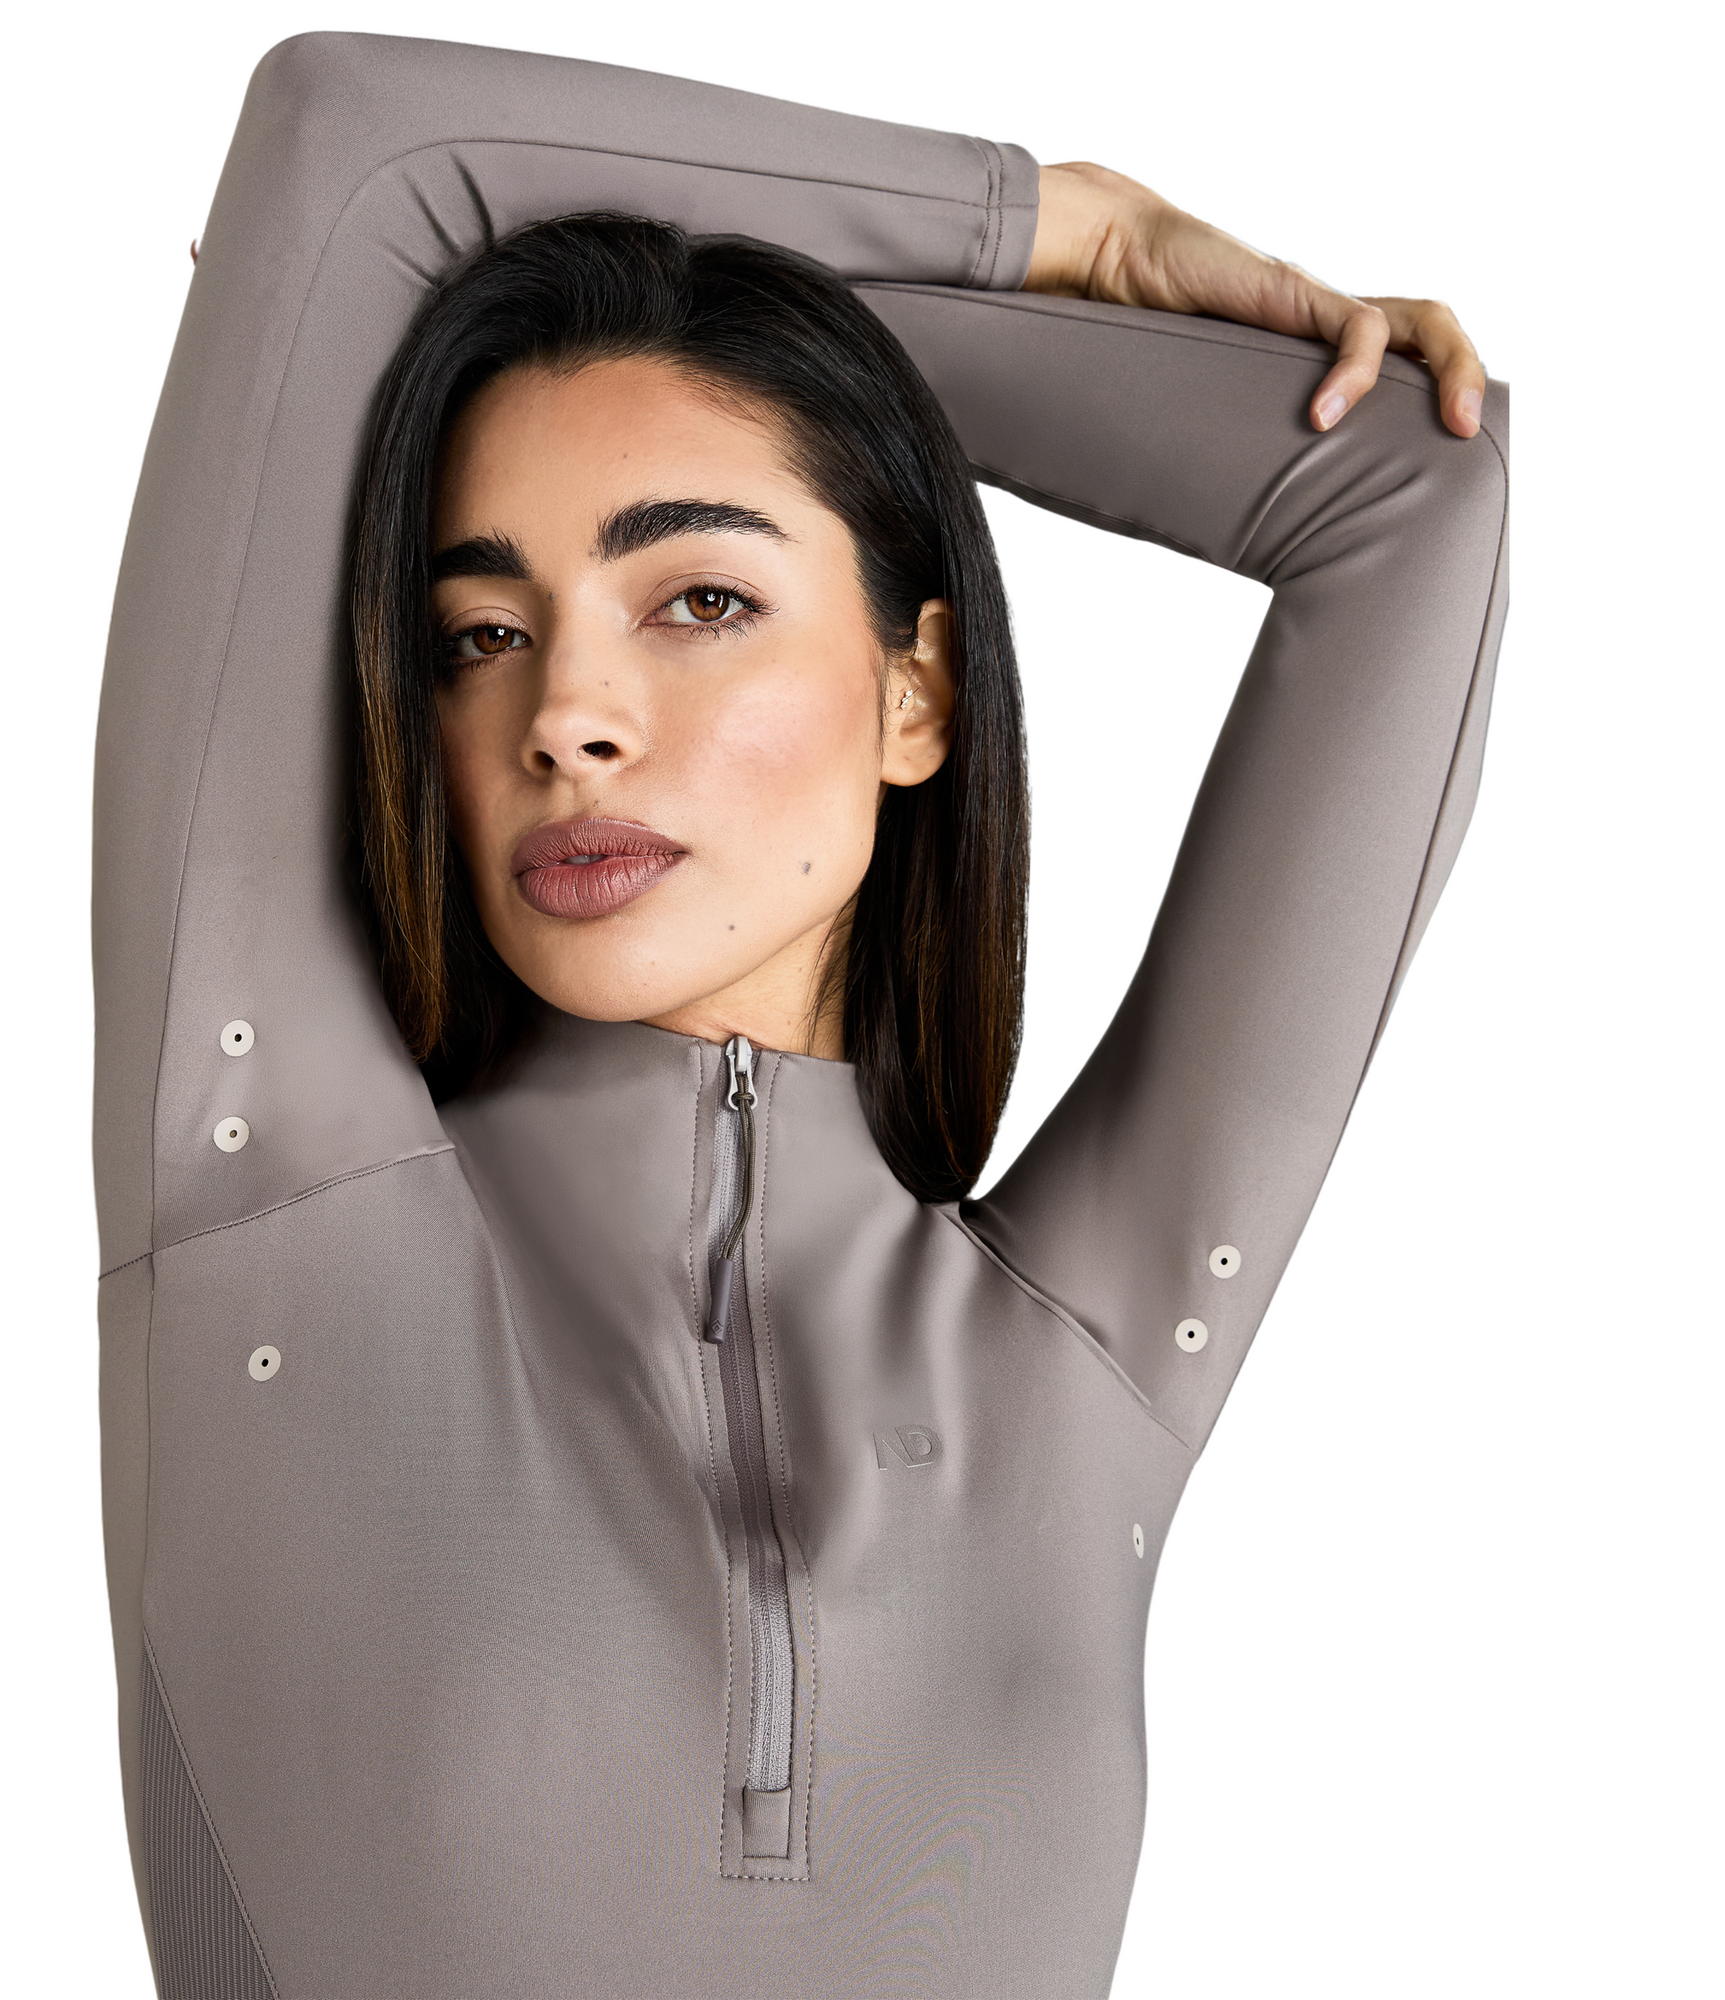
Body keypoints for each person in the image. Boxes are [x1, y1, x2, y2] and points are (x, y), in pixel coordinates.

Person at [94, 33, 1507, 2000]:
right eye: (481, 633)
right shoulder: (273, 1196)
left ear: (918, 693)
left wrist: (757, 353)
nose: (566, 715)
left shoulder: (1076, 1356)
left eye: (697, 598)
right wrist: (1057, 231)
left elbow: (1406, 478)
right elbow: (355, 146)